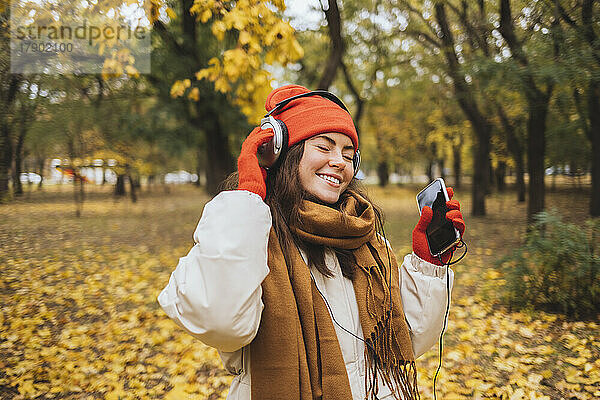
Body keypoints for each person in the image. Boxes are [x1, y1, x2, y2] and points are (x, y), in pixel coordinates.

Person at [157, 85, 466, 400]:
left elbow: (405, 342)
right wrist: (247, 198)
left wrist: (428, 265)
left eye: (348, 154)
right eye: (325, 147)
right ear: (282, 152)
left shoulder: (365, 237)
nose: (339, 162)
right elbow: (223, 323)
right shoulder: (247, 235)